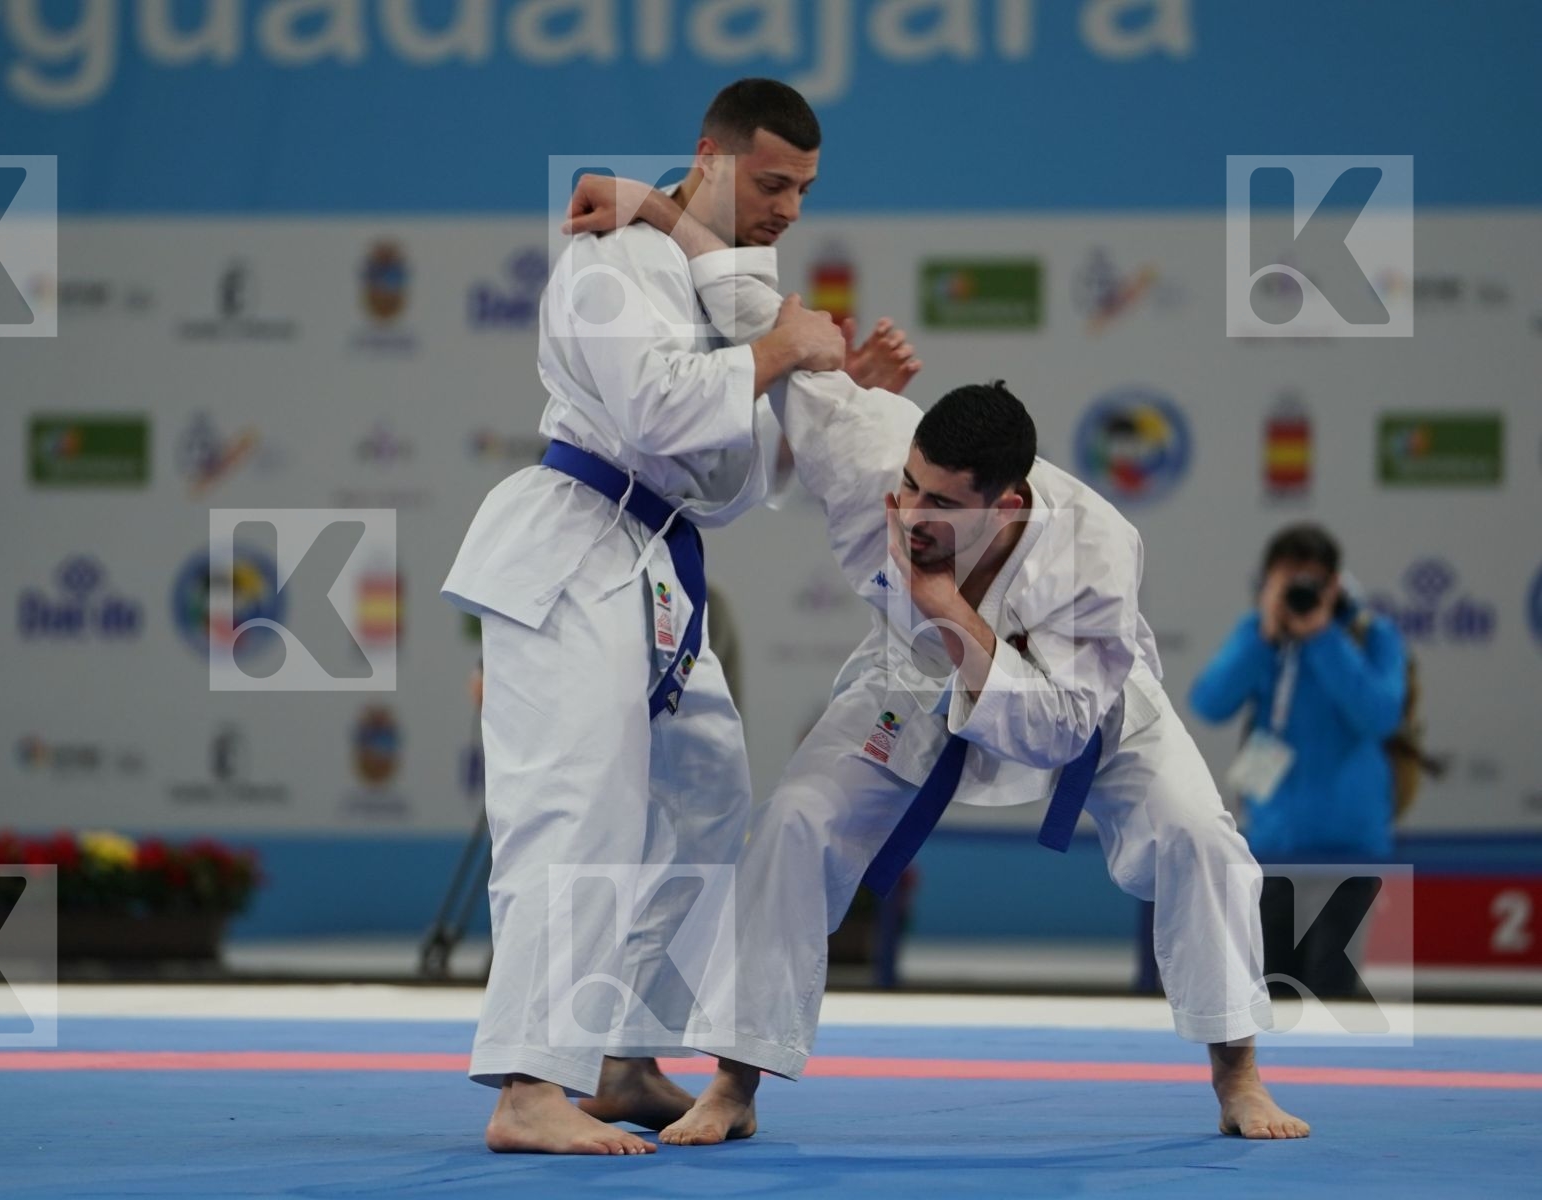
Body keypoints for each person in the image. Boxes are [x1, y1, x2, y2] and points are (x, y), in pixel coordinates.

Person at [570, 185, 1309, 1145]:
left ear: (1006, 508)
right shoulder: (869, 451)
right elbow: (756, 307)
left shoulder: (1099, 553)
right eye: (911, 484)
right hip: (910, 682)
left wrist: (950, 610)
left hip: (1087, 709)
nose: (911, 511)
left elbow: (1053, 728)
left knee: (1202, 841)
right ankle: (734, 1084)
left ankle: (1239, 1077)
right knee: (795, 822)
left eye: (941, 503)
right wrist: (656, 210)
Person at [441, 79, 917, 1156]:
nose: (789, 207)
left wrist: (849, 393)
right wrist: (787, 352)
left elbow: (723, 469)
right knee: (577, 807)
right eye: (771, 181)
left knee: (706, 794)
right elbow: (657, 404)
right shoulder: (610, 258)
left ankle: (621, 1054)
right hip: (574, 545)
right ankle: (526, 1085)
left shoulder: (720, 280)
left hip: (653, 562)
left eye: (804, 189)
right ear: (710, 154)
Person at [1188, 523, 1407, 997]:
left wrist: (1323, 638)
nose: (1300, 594)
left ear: (1334, 585)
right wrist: (1263, 635)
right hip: (1273, 845)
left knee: (1330, 997)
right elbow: (1209, 702)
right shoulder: (1259, 635)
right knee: (1271, 993)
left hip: (1349, 846)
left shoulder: (1371, 636)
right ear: (1267, 583)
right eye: (1288, 582)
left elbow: (1382, 715)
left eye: (1310, 582)